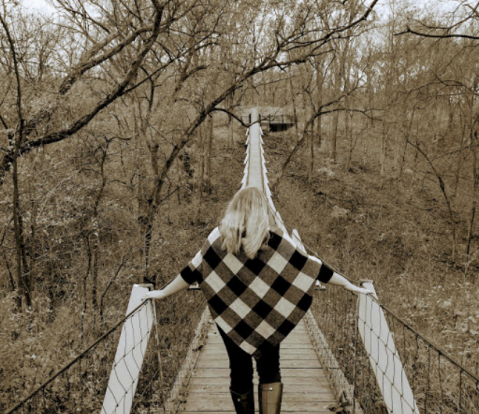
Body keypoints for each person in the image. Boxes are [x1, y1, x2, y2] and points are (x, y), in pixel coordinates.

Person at [142, 187, 372, 414]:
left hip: (231, 316)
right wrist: (346, 283)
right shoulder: (274, 240)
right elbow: (311, 266)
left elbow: (192, 271)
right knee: (270, 368)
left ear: (234, 208)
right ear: (263, 211)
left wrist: (163, 292)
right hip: (269, 316)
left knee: (239, 371)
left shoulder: (218, 238)